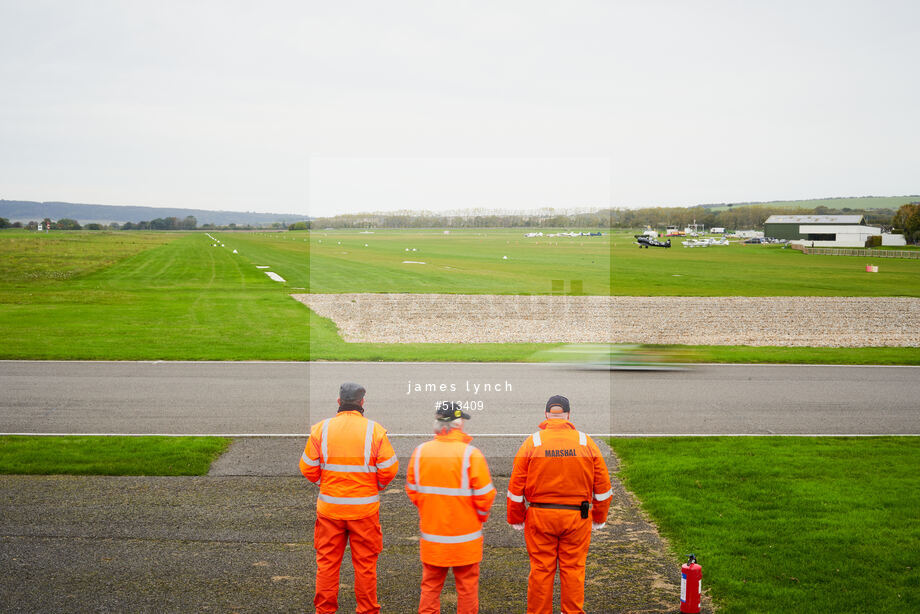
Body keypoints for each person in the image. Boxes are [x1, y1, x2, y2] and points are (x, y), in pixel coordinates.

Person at [506, 395, 613, 614]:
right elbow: (603, 489)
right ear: (568, 415)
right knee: (573, 569)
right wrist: (599, 518)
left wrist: (516, 517)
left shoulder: (532, 442)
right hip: (577, 518)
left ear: (546, 415)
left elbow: (515, 488)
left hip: (539, 517)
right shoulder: (586, 442)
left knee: (541, 570)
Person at [299, 382, 399, 614]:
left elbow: (307, 467)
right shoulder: (375, 431)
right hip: (364, 512)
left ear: (338, 402)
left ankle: (324, 610)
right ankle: (367, 610)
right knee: (365, 566)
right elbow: (389, 468)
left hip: (329, 510)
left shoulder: (320, 430)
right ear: (362, 403)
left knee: (327, 564)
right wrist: (377, 486)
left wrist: (323, 483)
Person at [406, 401, 496, 614]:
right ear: (458, 424)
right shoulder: (470, 454)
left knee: (430, 587)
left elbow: (413, 491)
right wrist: (480, 518)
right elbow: (485, 496)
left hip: (432, 538)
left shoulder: (420, 453)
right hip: (466, 541)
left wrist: (431, 510)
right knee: (467, 589)